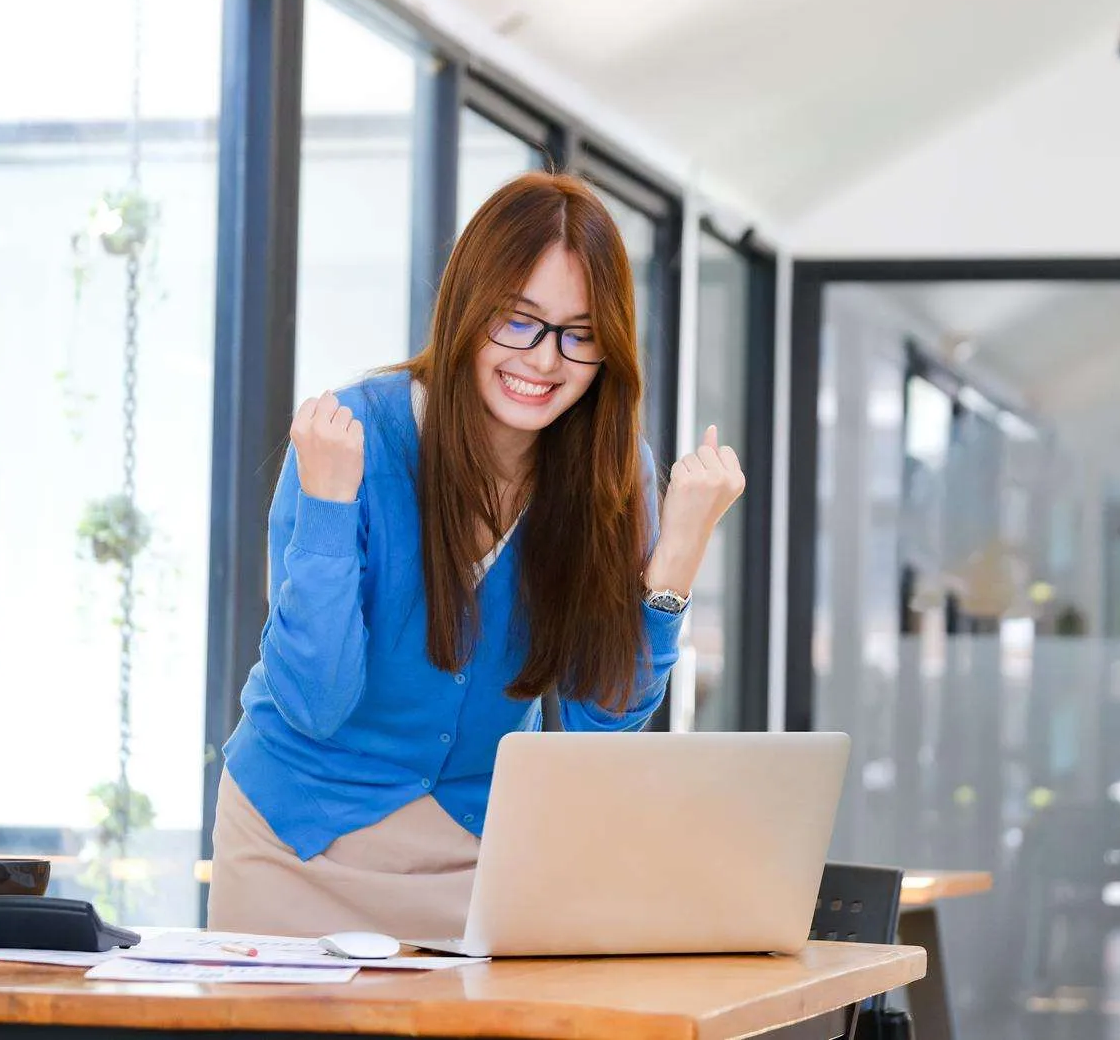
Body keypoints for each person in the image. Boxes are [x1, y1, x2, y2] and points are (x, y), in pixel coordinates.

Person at [208, 171, 745, 938]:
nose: (545, 359)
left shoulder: (611, 469)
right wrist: (327, 512)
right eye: (519, 320)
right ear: (468, 305)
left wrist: (679, 553)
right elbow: (314, 700)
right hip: (299, 839)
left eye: (579, 333)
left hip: (481, 851)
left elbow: (600, 730)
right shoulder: (349, 438)